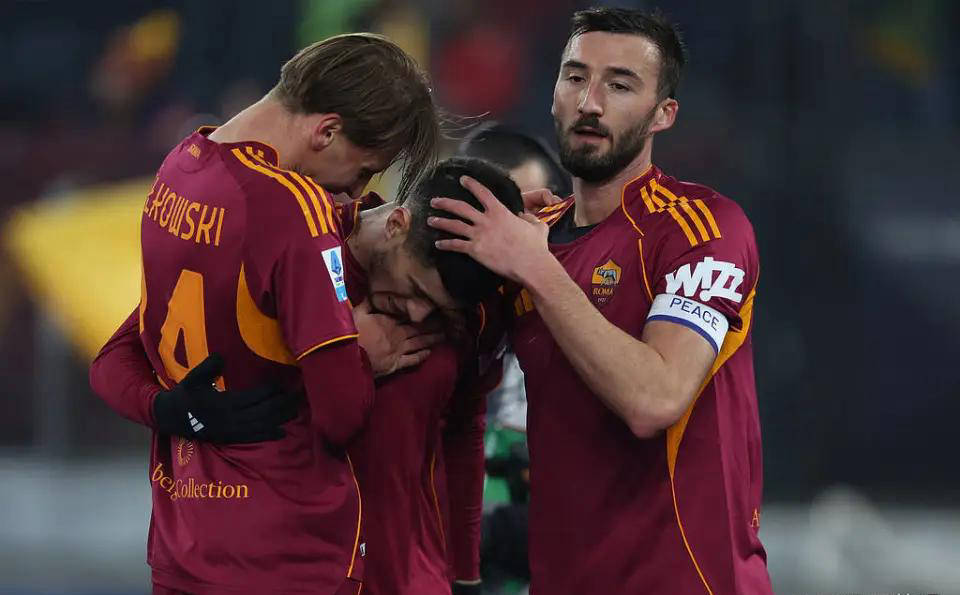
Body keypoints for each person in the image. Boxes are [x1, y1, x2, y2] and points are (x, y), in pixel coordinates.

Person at [88, 33, 521, 595]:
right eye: (364, 171)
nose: (352, 191)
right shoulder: (295, 212)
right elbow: (341, 412)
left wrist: (171, 411)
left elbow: (117, 355)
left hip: (186, 547)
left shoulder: (179, 169)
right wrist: (356, 351)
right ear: (327, 131)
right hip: (289, 560)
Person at [428, 8, 772, 594]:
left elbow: (654, 399)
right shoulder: (528, 238)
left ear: (664, 114)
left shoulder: (704, 228)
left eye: (620, 85)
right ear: (554, 94)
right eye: (575, 77)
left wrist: (535, 267)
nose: (590, 102)